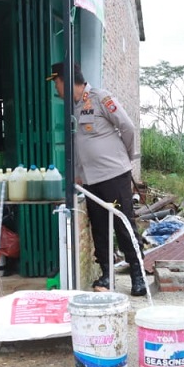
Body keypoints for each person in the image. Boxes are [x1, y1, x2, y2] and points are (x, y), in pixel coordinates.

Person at [48, 62, 146, 296]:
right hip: (92, 182)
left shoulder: (102, 98)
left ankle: (138, 273)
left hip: (113, 177)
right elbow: (81, 145)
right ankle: (106, 274)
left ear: (65, 80)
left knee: (122, 223)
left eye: (56, 83)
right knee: (100, 229)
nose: (56, 89)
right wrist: (80, 174)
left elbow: (128, 127)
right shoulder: (74, 107)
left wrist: (126, 158)